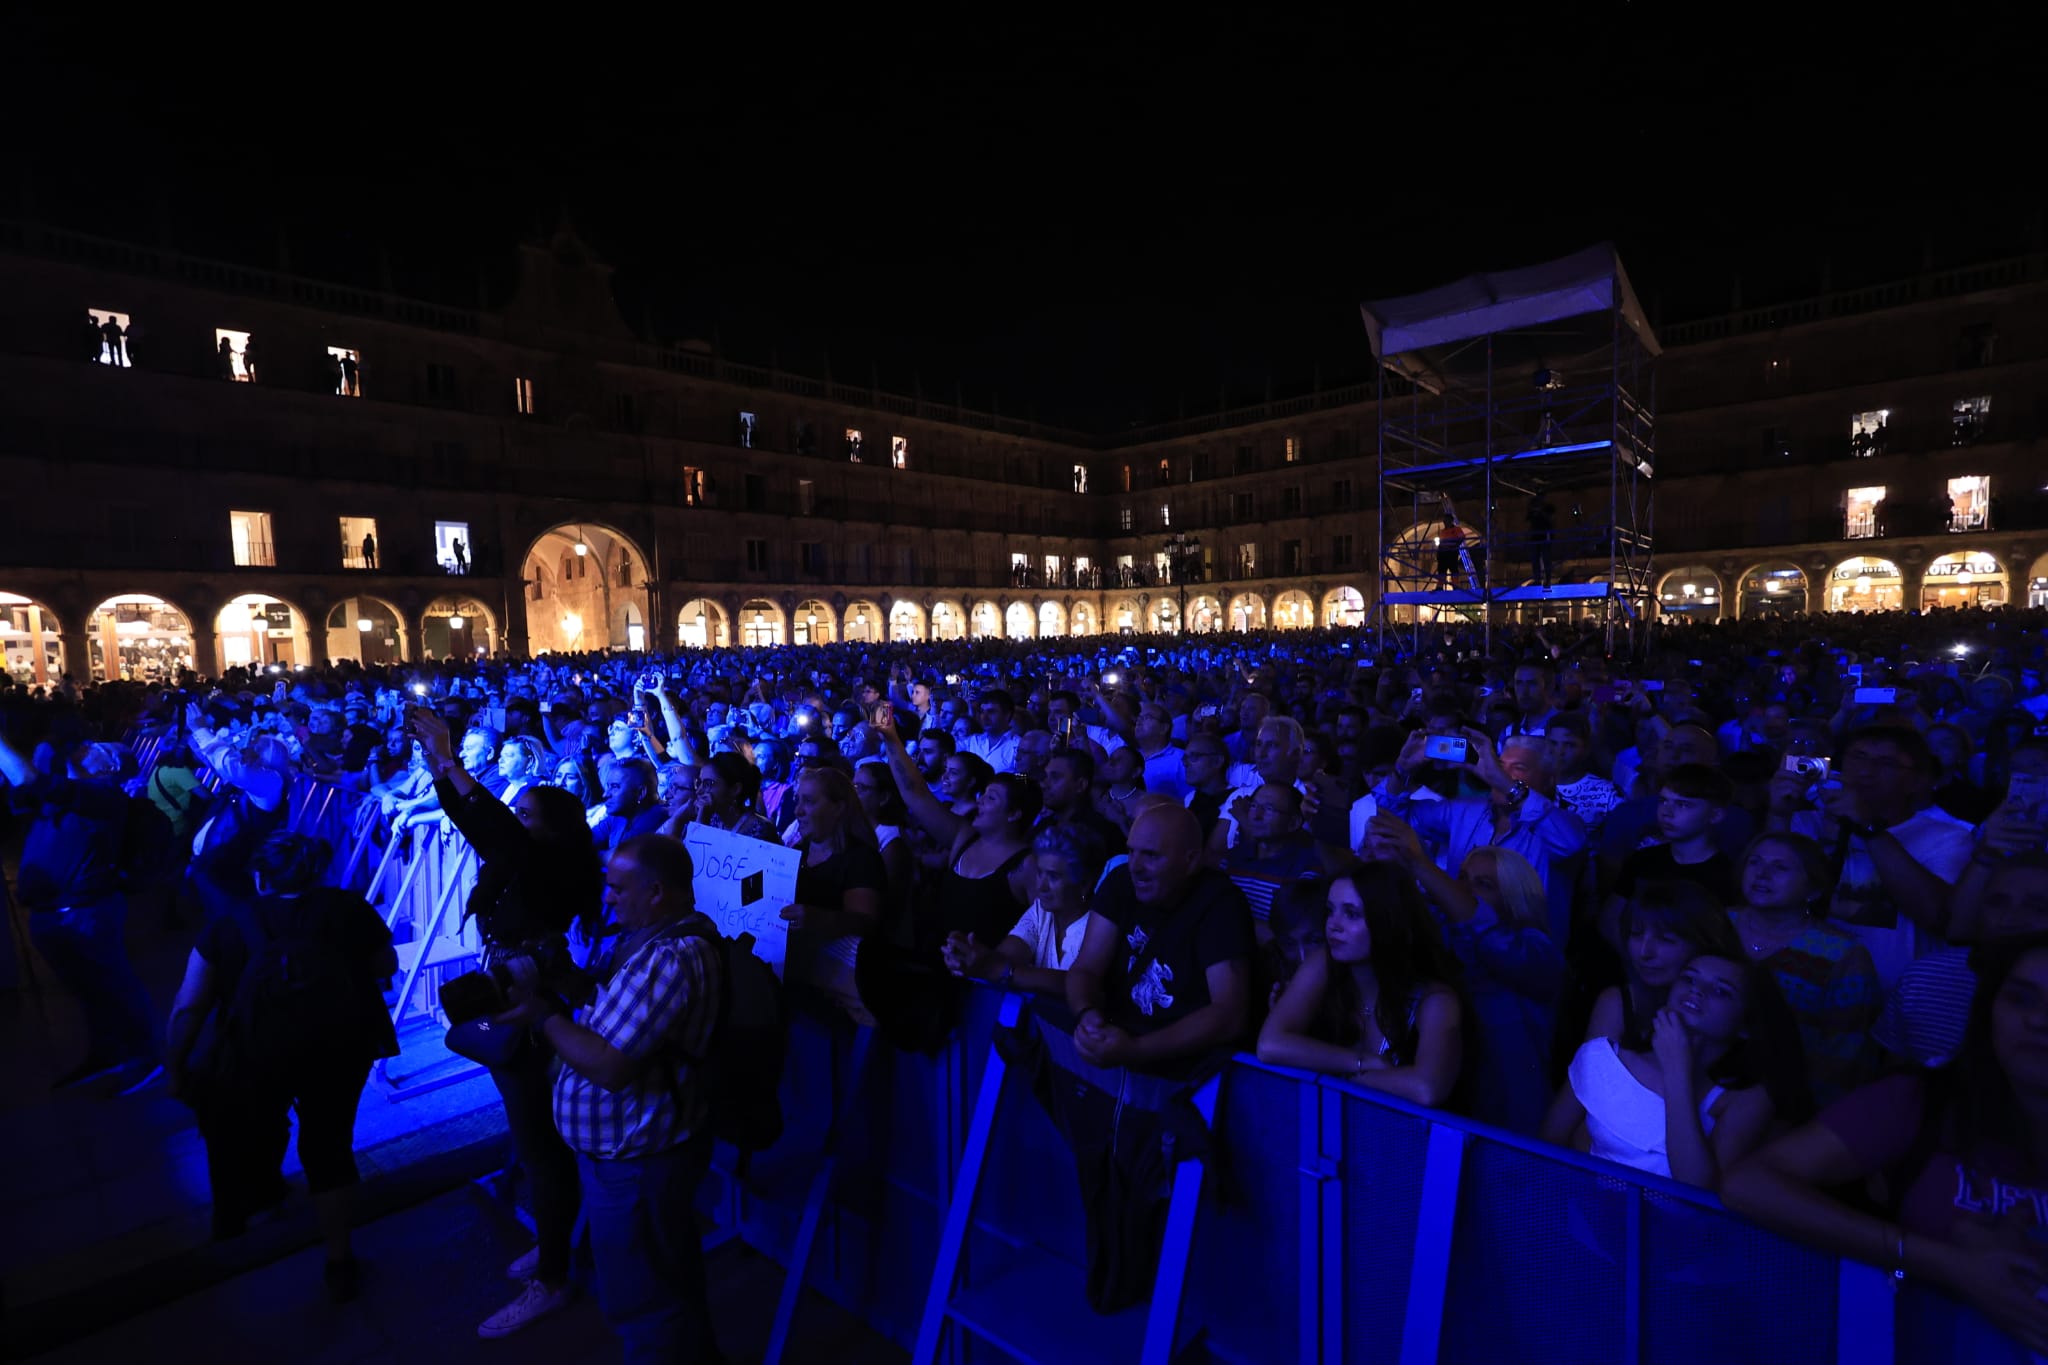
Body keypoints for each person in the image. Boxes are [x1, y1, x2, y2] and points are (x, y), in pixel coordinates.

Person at [1723, 935, 2048, 1361]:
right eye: (2021, 998)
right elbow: (1748, 1184)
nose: (2039, 1020)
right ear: (1988, 1008)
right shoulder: (1920, 1102)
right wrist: (1944, 1261)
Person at [409, 708, 603, 1340]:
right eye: (516, 812)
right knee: (532, 1134)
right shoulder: (526, 858)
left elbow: (491, 825)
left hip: (534, 990)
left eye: (527, 814)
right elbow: (483, 825)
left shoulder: (550, 864)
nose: (516, 820)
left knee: (541, 1143)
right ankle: (557, 1245)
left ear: (553, 829)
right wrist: (439, 764)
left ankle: (553, 1277)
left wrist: (449, 758)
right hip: (518, 979)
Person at [500, 835, 726, 1364]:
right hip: (631, 1153)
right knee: (666, 1279)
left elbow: (609, 1065)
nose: (608, 898)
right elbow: (616, 1019)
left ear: (656, 892)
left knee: (645, 1302)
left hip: (639, 1160)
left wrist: (543, 1016)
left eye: (619, 889)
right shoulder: (652, 939)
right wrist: (566, 983)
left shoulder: (670, 958)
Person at [162, 833, 397, 1299]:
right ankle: (339, 1259)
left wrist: (175, 1065)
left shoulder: (227, 926)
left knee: (251, 1127)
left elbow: (189, 1007)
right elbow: (385, 964)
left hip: (256, 1054)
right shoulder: (348, 909)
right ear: (317, 873)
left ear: (259, 878)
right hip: (339, 1050)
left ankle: (250, 1215)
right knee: (329, 1146)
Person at [1543, 949, 1798, 1188]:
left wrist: (1677, 1068)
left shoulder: (1747, 1099)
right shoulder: (1604, 1057)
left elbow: (1697, 1189)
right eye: (1689, 979)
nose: (1697, 990)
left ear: (1745, 1025)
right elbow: (1546, 1147)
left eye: (1721, 991)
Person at [1374, 816, 1563, 1133]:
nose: (1463, 889)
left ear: (1515, 897)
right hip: (1444, 1117)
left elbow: (1492, 938)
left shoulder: (1538, 951)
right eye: (1461, 877)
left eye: (1483, 884)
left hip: (1510, 1126)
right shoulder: (1443, 936)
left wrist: (1420, 863)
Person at [0, 728, 160, 1088]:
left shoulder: (104, 796)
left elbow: (27, 778)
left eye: (98, 747)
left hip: (86, 914)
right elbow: (24, 785)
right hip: (53, 914)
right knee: (89, 992)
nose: (87, 745)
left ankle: (146, 1057)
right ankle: (107, 1053)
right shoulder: (71, 792)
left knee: (116, 986)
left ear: (111, 765)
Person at [1257, 860, 1464, 1108]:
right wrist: (1363, 1062)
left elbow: (1427, 1089)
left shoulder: (1436, 1000)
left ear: (1389, 922)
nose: (1333, 925)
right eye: (1330, 910)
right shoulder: (1323, 963)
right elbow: (1269, 1045)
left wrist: (1353, 1080)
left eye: (1351, 914)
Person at [1730, 832, 1881, 1105]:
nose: (1761, 874)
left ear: (1813, 890)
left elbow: (1845, 1053)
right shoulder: (1716, 923)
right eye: (1755, 862)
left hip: (1789, 1101)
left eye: (1780, 867)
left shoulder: (1842, 955)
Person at [943, 821, 1106, 994]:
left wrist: (997, 969)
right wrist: (969, 954)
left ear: (1084, 884)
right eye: (1040, 873)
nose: (1041, 886)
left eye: (1053, 876)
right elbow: (1006, 956)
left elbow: (1079, 985)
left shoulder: (1100, 924)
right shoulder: (1041, 911)